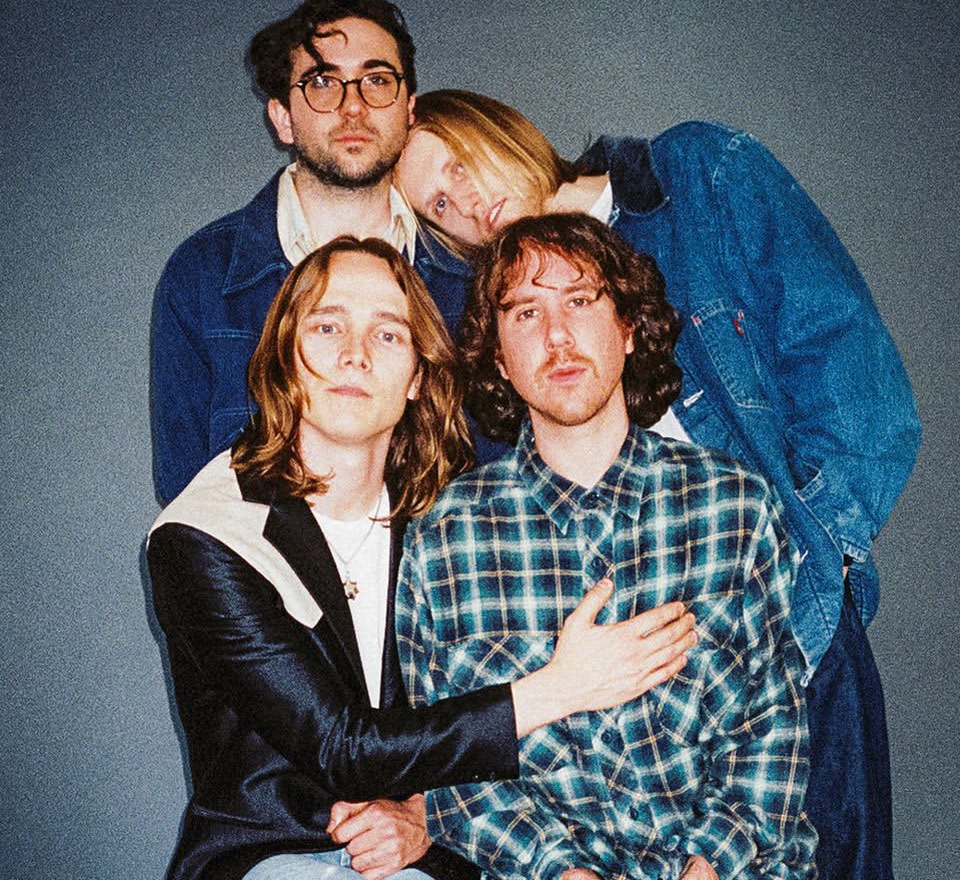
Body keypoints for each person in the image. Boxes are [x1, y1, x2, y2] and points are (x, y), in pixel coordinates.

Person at [394, 90, 921, 879]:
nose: (467, 204)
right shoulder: (497, 389)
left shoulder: (695, 176)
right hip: (615, 721)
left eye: (461, 165)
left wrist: (812, 572)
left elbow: (859, 389)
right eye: (440, 204)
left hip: (790, 634)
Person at [147, 235, 696, 880]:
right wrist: (560, 686)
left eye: (387, 335)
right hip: (273, 854)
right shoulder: (207, 533)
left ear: (416, 377)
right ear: (283, 359)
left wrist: (424, 815)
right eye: (327, 327)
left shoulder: (448, 522)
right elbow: (344, 747)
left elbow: (489, 737)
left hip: (429, 859)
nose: (354, 355)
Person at [397, 214, 818, 879]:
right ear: (498, 358)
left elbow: (771, 727)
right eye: (526, 313)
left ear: (628, 328)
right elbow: (454, 774)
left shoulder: (734, 506)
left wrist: (707, 866)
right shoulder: (444, 541)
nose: (557, 336)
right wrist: (564, 872)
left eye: (580, 301)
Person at [151, 0, 466, 507]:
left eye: (377, 80)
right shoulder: (203, 275)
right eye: (322, 83)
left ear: (409, 110)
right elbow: (189, 496)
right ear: (282, 117)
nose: (353, 106)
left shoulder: (467, 276)